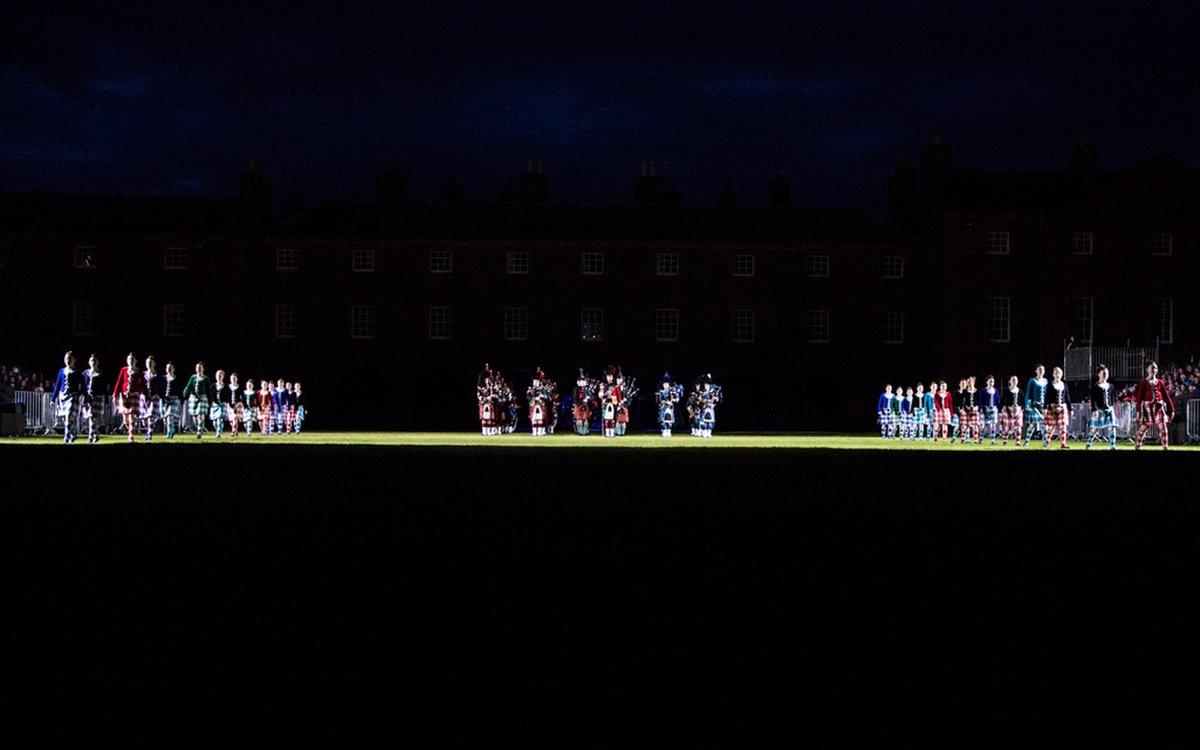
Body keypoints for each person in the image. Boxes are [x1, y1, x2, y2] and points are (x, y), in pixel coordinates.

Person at [1134, 360, 1175, 450]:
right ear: (1147, 369)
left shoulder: (1160, 382)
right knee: (1144, 427)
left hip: (1159, 407)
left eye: (1155, 368)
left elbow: (1166, 397)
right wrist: (1138, 412)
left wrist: (1171, 410)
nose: (1154, 369)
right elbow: (1139, 398)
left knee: (1163, 426)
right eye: (1152, 367)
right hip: (1147, 408)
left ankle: (1165, 446)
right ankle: (1138, 444)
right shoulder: (1143, 382)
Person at [112, 353, 147, 443]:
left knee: (131, 415)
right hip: (124, 395)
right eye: (129, 359)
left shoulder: (139, 371)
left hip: (135, 394)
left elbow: (143, 383)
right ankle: (129, 430)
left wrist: (144, 393)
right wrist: (115, 394)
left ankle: (131, 436)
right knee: (125, 419)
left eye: (132, 359)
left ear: (135, 361)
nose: (130, 361)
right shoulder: (124, 370)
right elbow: (119, 382)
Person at [51, 351, 85, 443]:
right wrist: (53, 399)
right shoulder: (61, 371)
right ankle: (73, 433)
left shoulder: (77, 372)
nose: (68, 360)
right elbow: (57, 385)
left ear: (74, 360)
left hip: (73, 396)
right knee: (64, 418)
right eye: (66, 358)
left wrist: (83, 394)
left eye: (70, 358)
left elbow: (83, 385)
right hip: (62, 397)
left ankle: (67, 437)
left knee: (69, 415)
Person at [1087, 364, 1117, 450]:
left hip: (1109, 409)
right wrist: (1094, 409)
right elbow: (1093, 399)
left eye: (1106, 373)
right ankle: (1088, 444)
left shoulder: (1111, 386)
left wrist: (1112, 406)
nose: (1105, 375)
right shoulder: (1095, 386)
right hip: (1099, 410)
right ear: (1099, 374)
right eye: (1103, 373)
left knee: (1112, 426)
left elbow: (1112, 397)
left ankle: (1112, 445)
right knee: (1095, 428)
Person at [182, 362, 215, 439]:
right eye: (197, 367)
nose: (198, 369)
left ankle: (199, 430)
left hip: (202, 397)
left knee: (200, 414)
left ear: (203, 368)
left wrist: (210, 401)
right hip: (193, 397)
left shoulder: (206, 378)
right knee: (194, 416)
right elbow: (189, 386)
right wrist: (185, 392)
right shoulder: (193, 377)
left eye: (200, 367)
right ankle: (199, 427)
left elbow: (208, 390)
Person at [1044, 366, 1071, 449]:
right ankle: (1047, 442)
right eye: (1055, 373)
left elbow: (1067, 397)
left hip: (1062, 407)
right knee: (1051, 427)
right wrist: (1046, 407)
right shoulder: (1050, 384)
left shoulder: (1064, 384)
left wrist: (1070, 409)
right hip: (1052, 407)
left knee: (1063, 426)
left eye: (1059, 373)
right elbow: (1047, 396)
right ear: (1053, 374)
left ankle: (1063, 443)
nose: (1057, 374)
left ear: (1061, 374)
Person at [81, 354, 107, 443]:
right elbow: (82, 386)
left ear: (97, 362)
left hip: (97, 397)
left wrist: (106, 399)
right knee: (90, 417)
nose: (93, 362)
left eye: (95, 361)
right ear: (89, 362)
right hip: (87, 397)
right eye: (92, 360)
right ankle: (96, 434)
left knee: (93, 416)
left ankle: (90, 436)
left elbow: (104, 388)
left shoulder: (101, 374)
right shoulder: (85, 373)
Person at [1024, 365, 1049, 446]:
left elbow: (1048, 394)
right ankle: (1027, 441)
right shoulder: (1032, 380)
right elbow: (1028, 393)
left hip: (1044, 405)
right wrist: (1027, 403)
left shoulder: (1046, 381)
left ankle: (1045, 442)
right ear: (1036, 371)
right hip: (1035, 405)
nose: (1041, 370)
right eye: (1039, 369)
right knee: (1033, 423)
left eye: (1042, 369)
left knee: (1045, 424)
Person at [142, 355, 164, 440]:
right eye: (148, 363)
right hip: (145, 397)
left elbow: (162, 387)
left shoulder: (158, 375)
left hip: (155, 397)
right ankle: (149, 430)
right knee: (145, 419)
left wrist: (161, 396)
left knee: (151, 415)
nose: (149, 364)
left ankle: (149, 434)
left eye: (151, 363)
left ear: (154, 364)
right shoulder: (143, 374)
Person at [656, 373, 683, 438]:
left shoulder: (672, 391)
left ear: (669, 384)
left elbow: (677, 399)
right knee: (663, 422)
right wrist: (666, 402)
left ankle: (669, 431)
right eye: (664, 384)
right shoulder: (661, 392)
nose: (666, 385)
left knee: (669, 422)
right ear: (663, 385)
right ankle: (664, 432)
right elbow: (659, 401)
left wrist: (674, 400)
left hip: (670, 408)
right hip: (663, 408)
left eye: (667, 384)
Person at [696, 374, 723, 438]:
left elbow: (717, 400)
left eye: (707, 385)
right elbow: (699, 401)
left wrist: (714, 402)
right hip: (704, 409)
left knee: (710, 423)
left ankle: (709, 433)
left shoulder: (713, 391)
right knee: (703, 423)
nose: (706, 386)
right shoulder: (702, 392)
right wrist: (704, 401)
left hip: (710, 408)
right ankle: (704, 433)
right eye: (705, 385)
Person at [1000, 375, 1023, 446]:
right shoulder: (1007, 390)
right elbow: (1003, 401)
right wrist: (1003, 409)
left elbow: (1022, 400)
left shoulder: (1020, 390)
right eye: (1013, 380)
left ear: (1017, 381)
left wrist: (1022, 409)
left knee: (1018, 426)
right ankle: (1005, 440)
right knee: (1007, 427)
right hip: (1008, 410)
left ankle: (1018, 441)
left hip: (1018, 410)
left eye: (1016, 380)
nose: (1014, 381)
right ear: (1010, 381)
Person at [571, 370, 595, 436]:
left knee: (586, 420)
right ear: (578, 382)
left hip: (586, 406)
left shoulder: (587, 389)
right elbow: (575, 398)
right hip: (579, 405)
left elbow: (593, 397)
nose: (582, 382)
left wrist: (588, 398)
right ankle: (580, 432)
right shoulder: (576, 389)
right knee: (579, 420)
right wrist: (581, 401)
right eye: (581, 381)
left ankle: (585, 432)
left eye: (583, 381)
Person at [162, 362, 181, 439]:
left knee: (170, 415)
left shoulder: (177, 378)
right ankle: (172, 429)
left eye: (170, 368)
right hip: (164, 400)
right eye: (167, 368)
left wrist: (180, 399)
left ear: (173, 369)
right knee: (165, 418)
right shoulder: (163, 378)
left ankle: (169, 432)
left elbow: (180, 390)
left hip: (174, 398)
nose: (169, 369)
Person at [981, 375, 1001, 445]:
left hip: (994, 409)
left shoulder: (996, 390)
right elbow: (981, 400)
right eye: (990, 381)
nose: (991, 382)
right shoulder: (984, 390)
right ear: (987, 382)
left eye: (992, 381)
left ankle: (992, 440)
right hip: (986, 409)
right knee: (986, 425)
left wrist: (999, 408)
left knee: (993, 425)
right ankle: (981, 438)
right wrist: (982, 408)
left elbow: (998, 400)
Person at [959, 377, 980, 444]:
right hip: (966, 410)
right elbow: (962, 401)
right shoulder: (965, 391)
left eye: (971, 381)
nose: (970, 383)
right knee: (965, 425)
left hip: (975, 410)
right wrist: (966, 408)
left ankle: (976, 440)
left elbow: (979, 401)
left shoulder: (977, 391)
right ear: (967, 383)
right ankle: (963, 438)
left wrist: (976, 407)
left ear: (974, 382)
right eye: (969, 382)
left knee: (975, 426)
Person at [211, 369, 230, 438]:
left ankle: (218, 433)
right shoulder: (213, 385)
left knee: (220, 418)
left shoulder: (226, 386)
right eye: (217, 375)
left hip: (222, 404)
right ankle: (219, 430)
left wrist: (227, 403)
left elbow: (228, 396)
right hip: (214, 404)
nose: (218, 376)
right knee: (214, 422)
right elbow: (210, 395)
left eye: (220, 375)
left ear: (223, 376)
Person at [227, 372, 245, 438]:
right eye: (232, 378)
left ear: (237, 379)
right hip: (229, 405)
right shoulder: (228, 387)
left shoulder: (240, 387)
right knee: (231, 420)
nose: (233, 379)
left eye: (234, 378)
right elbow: (226, 396)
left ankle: (233, 432)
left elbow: (242, 397)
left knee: (235, 418)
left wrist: (240, 404)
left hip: (238, 405)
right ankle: (236, 430)